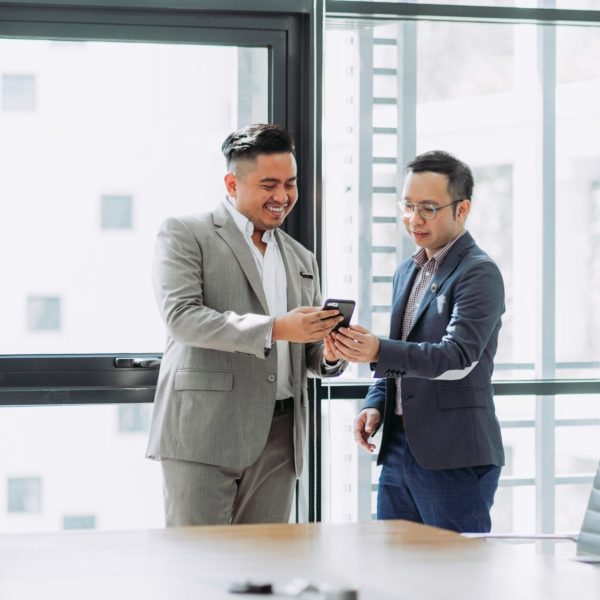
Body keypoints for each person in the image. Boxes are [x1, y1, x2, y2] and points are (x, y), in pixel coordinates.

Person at [146, 123, 346, 526]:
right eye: (269, 184)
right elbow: (183, 318)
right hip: (204, 430)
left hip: (282, 438)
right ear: (231, 183)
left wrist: (328, 352)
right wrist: (275, 328)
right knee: (198, 567)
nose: (283, 196)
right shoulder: (186, 234)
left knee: (265, 568)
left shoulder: (302, 258)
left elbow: (303, 353)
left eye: (290, 184)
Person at [331, 150, 505, 533]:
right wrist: (377, 403)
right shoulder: (407, 271)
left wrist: (377, 349)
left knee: (456, 581)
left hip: (454, 456)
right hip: (397, 450)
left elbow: (458, 356)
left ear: (462, 209)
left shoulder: (479, 273)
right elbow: (402, 353)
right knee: (398, 576)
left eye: (428, 207)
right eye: (408, 206)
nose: (414, 219)